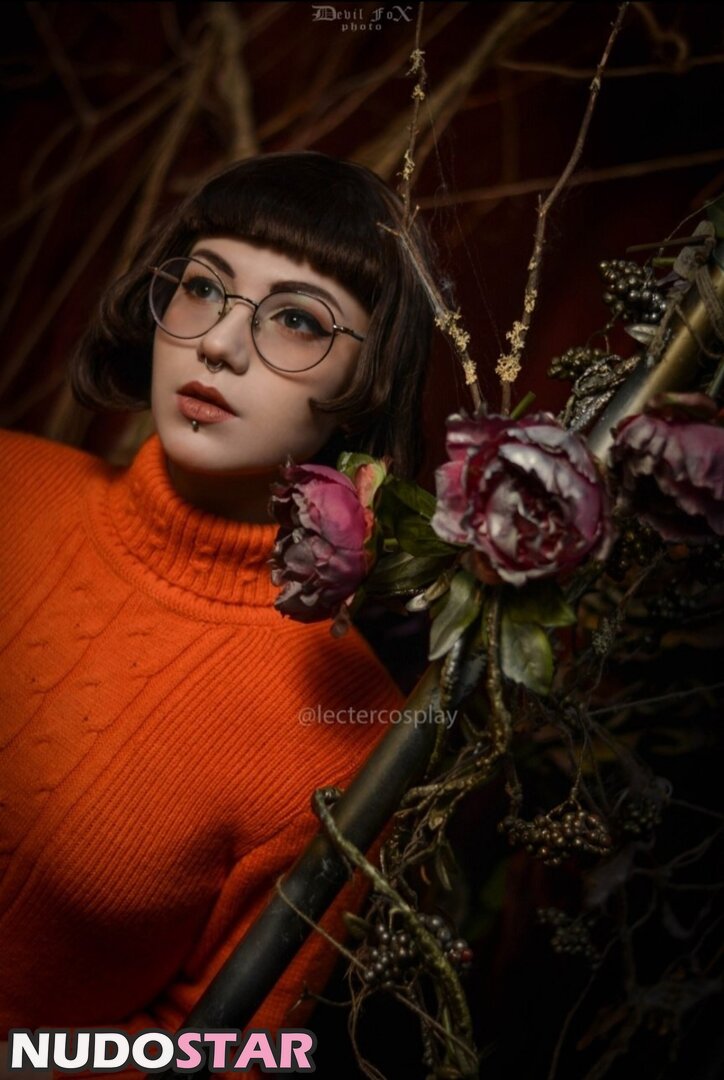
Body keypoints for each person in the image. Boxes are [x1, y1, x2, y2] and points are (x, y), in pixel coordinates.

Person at [0, 151, 437, 1073]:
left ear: (365, 390)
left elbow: (227, 1053)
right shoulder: (10, 484)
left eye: (296, 319)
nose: (219, 345)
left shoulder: (347, 727)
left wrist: (24, 1060)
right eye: (203, 287)